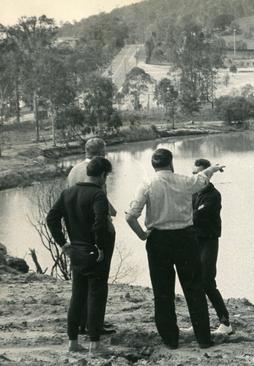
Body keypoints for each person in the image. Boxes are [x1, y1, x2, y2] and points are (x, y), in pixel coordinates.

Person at [125, 148, 225, 349]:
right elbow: (202, 179)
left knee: (163, 291)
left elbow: (130, 216)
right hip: (185, 239)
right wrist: (212, 168)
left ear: (153, 166)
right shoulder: (184, 181)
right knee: (194, 288)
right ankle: (204, 339)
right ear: (171, 163)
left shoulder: (147, 184)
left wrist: (143, 235)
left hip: (158, 240)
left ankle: (170, 340)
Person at [46, 157, 114, 354]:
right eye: (106, 176)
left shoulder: (68, 192)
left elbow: (51, 218)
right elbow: (100, 223)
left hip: (76, 250)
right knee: (96, 295)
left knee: (77, 296)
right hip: (94, 251)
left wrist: (63, 243)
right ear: (102, 175)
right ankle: (95, 344)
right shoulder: (98, 195)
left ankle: (73, 342)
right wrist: (100, 246)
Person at [67, 137, 116, 336]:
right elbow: (99, 196)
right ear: (101, 152)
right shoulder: (98, 170)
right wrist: (110, 213)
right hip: (97, 228)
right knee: (98, 280)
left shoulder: (73, 170)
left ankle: (80, 322)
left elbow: (71, 195)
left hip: (77, 230)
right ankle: (94, 324)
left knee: (79, 283)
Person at [192, 159, 232, 335]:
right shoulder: (193, 194)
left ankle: (225, 322)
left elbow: (195, 217)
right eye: (194, 174)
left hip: (208, 241)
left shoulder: (214, 195)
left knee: (207, 281)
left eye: (200, 173)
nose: (197, 177)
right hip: (195, 241)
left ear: (208, 175)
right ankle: (201, 322)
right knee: (195, 282)